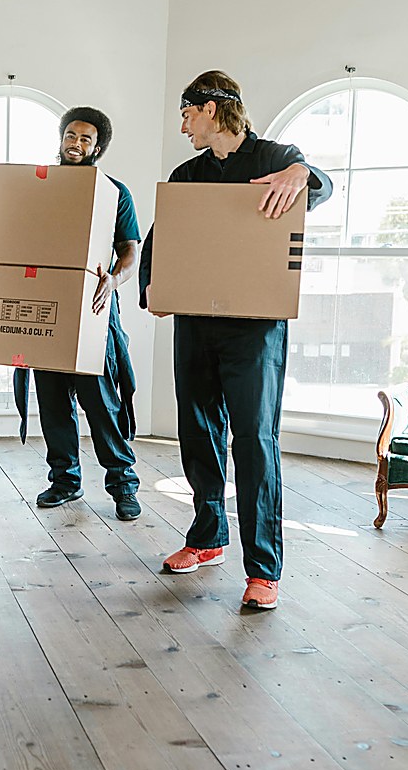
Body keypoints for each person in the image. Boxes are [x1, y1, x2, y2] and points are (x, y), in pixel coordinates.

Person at [138, 71, 333, 610]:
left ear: (210, 108)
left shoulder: (276, 159)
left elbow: (322, 185)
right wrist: (151, 285)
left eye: (186, 114)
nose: (183, 127)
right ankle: (207, 538)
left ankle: (264, 569)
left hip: (256, 331)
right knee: (197, 433)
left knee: (253, 440)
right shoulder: (187, 173)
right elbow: (161, 239)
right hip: (196, 324)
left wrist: (302, 173)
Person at [18, 106, 143, 522]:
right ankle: (65, 481)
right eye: (71, 135)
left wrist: (115, 281)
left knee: (102, 403)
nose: (76, 143)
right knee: (53, 403)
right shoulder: (40, 186)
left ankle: (123, 484)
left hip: (92, 309)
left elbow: (130, 252)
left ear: (98, 147)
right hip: (46, 309)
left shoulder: (114, 192)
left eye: (86, 139)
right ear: (61, 137)